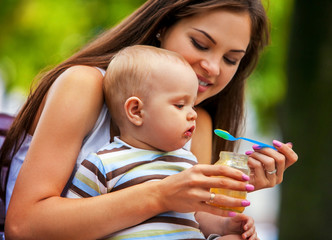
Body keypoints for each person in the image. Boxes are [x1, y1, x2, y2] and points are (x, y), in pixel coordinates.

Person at [0, 0, 298, 239]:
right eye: (200, 44)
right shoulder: (85, 85)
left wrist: (231, 203)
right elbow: (24, 227)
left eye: (231, 59)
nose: (212, 67)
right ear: (162, 26)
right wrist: (161, 195)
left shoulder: (199, 123)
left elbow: (189, 221)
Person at [66, 45, 258, 240]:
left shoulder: (187, 160)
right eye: (180, 105)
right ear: (136, 111)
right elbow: (76, 223)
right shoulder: (103, 163)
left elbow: (198, 215)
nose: (192, 114)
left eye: (192, 105)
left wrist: (226, 225)